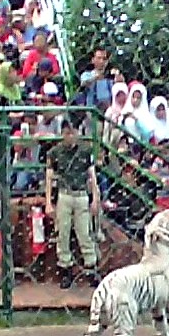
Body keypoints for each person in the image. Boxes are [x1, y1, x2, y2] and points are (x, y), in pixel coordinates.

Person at [45, 117, 101, 288]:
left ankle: (91, 268)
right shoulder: (55, 153)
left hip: (81, 194)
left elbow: (92, 176)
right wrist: (48, 201)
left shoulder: (85, 151)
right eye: (67, 133)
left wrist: (95, 198)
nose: (70, 136)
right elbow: (49, 178)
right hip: (64, 195)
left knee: (85, 233)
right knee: (63, 233)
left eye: (73, 132)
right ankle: (65, 269)